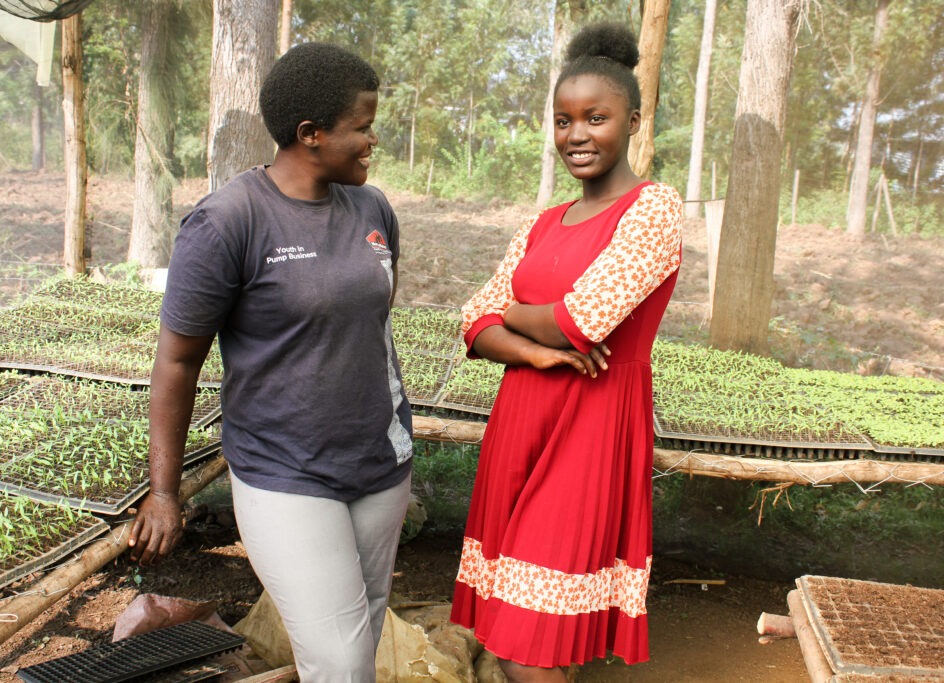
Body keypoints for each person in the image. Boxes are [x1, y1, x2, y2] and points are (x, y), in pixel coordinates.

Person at [127, 42, 414, 682]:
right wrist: (165, 491)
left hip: (379, 462)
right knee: (338, 660)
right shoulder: (230, 221)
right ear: (310, 134)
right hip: (285, 471)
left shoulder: (372, 210)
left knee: (361, 633)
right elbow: (176, 363)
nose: (373, 140)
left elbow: (372, 319)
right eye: (362, 127)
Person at [449, 22, 683, 681]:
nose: (575, 134)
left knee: (529, 648)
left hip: (590, 428)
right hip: (522, 417)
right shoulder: (544, 221)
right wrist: (536, 351)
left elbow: (587, 317)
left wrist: (517, 318)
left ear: (633, 121)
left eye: (595, 118)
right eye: (562, 120)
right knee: (507, 634)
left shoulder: (653, 208)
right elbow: (473, 319)